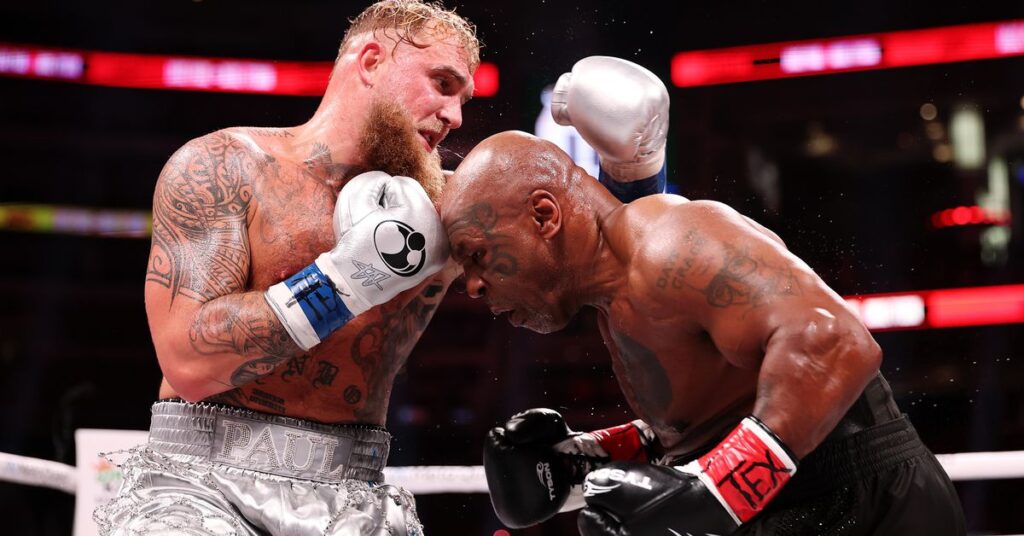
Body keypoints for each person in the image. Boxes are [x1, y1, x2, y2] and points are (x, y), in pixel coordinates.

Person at [442, 137, 966, 532]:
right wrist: (582, 463)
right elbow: (706, 423)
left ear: (543, 216)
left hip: (860, 497)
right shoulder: (616, 300)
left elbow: (835, 341)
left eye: (478, 255)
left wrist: (719, 489)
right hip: (793, 501)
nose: (472, 286)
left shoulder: (670, 243)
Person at [94, 1, 479, 534]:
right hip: (197, 486)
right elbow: (187, 362)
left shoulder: (448, 212)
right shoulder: (227, 165)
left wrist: (633, 165)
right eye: (442, 83)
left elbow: (575, 266)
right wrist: (344, 281)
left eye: (464, 99)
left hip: (355, 495)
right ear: (370, 61)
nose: (455, 116)